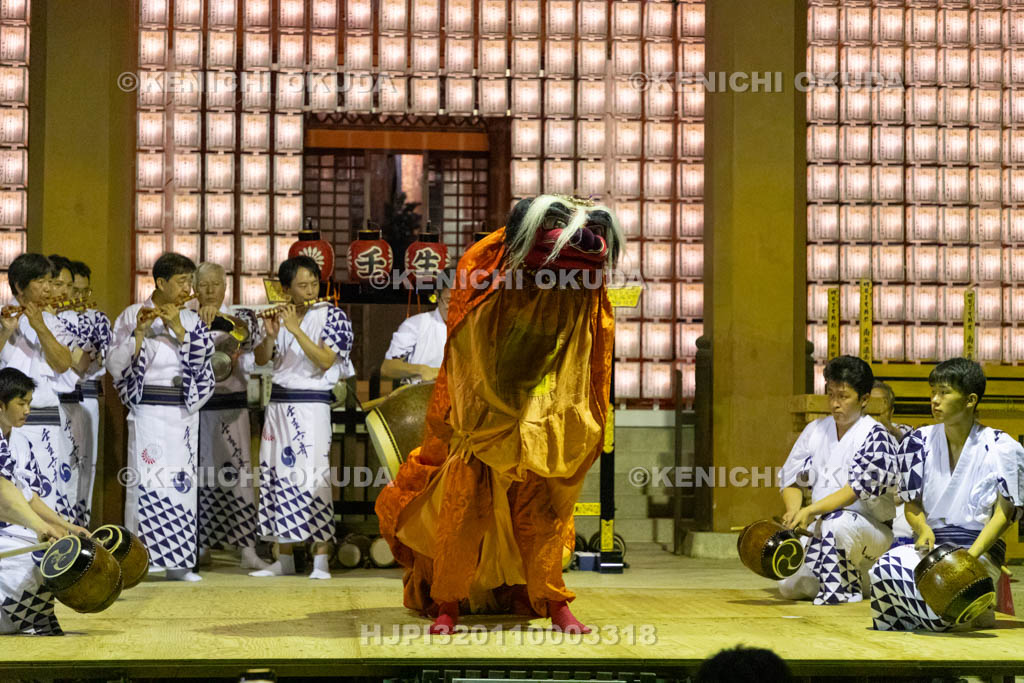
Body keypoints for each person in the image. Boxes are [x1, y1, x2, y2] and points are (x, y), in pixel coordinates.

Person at [375, 194, 622, 634]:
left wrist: (558, 414)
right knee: (463, 508)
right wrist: (480, 414)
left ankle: (553, 601)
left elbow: (583, 352)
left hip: (540, 408)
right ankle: (447, 600)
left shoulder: (581, 281)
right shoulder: (490, 263)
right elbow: (470, 351)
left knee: (541, 511)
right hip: (484, 412)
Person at [869, 358, 1024, 631]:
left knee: (941, 600)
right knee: (884, 570)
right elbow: (912, 504)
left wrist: (968, 558)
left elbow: (1004, 514)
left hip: (978, 552)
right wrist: (922, 527)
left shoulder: (1002, 447)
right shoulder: (918, 442)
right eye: (933, 392)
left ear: (970, 400)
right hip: (932, 550)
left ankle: (959, 619)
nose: (935, 400)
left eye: (944, 392)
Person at [107, 253, 215, 582]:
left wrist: (179, 328)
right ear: (160, 283)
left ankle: (180, 563)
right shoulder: (132, 314)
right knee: (146, 484)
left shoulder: (192, 319)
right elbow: (115, 364)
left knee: (181, 484)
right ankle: (141, 562)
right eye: (182, 282)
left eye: (190, 282)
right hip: (148, 410)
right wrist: (139, 332)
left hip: (182, 411)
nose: (188, 289)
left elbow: (205, 363)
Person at [249, 256, 353, 580]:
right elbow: (262, 359)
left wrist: (294, 330)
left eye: (313, 283)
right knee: (276, 477)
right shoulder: (279, 314)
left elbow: (325, 361)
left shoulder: (334, 316)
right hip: (278, 404)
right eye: (302, 285)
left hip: (312, 405)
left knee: (314, 477)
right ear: (285, 289)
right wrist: (270, 335)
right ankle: (284, 558)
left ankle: (321, 558)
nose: (309, 289)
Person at [777, 355, 899, 605]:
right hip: (823, 526)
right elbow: (791, 479)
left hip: (870, 531)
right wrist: (793, 512)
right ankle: (857, 580)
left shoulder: (877, 436)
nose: (834, 404)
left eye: (843, 396)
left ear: (864, 399)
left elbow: (854, 490)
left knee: (838, 522)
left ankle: (850, 586)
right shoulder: (815, 430)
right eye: (830, 395)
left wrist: (809, 510)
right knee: (790, 587)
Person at [0, 368, 89, 635]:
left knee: (56, 549)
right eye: (21, 403)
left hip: (11, 522)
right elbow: (3, 491)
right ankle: (17, 623)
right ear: (1, 405)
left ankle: (26, 622)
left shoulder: (22, 443)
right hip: (7, 523)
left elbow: (28, 497)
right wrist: (39, 527)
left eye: (29, 403)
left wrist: (68, 528)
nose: (27, 410)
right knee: (34, 555)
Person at [191, 262, 266, 570]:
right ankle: (202, 545)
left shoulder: (241, 316)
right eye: (204, 285)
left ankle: (247, 547)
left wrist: (221, 320)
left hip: (234, 408)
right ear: (194, 290)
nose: (210, 291)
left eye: (215, 285)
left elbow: (250, 340)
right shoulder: (187, 320)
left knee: (239, 478)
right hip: (199, 410)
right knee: (202, 480)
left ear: (225, 288)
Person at [0, 254, 76, 520]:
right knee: (9, 492)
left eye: (49, 281)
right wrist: (5, 332)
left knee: (44, 490)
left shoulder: (52, 320)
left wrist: (40, 327)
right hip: (6, 419)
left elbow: (64, 364)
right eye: (40, 281)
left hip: (45, 419)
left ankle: (42, 556)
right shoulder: (3, 314)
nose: (48, 288)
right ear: (20, 286)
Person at [67, 259, 111, 526]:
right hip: (62, 397)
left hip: (89, 395)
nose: (80, 297)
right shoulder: (55, 318)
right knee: (65, 463)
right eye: (75, 290)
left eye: (86, 291)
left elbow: (108, 360)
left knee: (86, 465)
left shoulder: (98, 319)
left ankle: (81, 525)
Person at [870, 380, 914, 546]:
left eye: (882, 406)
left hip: (900, 505)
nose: (876, 412)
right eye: (871, 405)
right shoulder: (856, 433)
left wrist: (889, 432)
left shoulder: (904, 432)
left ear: (891, 411)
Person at [380, 283, 450, 384]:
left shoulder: (472, 325)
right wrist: (421, 370)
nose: (454, 307)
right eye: (448, 301)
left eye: (460, 301)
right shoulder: (416, 324)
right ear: (437, 296)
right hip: (421, 394)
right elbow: (388, 367)